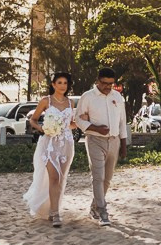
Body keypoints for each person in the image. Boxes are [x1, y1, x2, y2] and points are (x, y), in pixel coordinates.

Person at [74, 67, 128, 226]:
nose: (108, 87)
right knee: (98, 177)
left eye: (111, 84)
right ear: (97, 81)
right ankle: (103, 212)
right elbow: (78, 119)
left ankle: (94, 207)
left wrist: (124, 145)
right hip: (95, 140)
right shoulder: (87, 97)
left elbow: (122, 122)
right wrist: (96, 128)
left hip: (114, 141)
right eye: (105, 83)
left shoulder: (117, 97)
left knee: (107, 179)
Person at [23, 72, 76, 228]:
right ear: (53, 84)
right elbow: (32, 119)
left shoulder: (70, 103)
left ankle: (54, 208)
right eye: (59, 83)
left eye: (65, 83)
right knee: (53, 177)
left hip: (66, 142)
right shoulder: (46, 101)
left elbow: (71, 123)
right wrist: (42, 128)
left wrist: (77, 123)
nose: (62, 86)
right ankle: (55, 214)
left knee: (60, 179)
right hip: (49, 143)